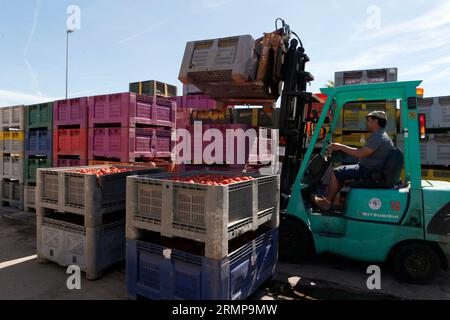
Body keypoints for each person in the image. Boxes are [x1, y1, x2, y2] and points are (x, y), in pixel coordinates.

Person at [313, 111, 394, 211]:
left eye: (368, 120)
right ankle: (334, 202)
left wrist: (341, 147)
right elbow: (363, 153)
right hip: (371, 168)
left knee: (336, 172)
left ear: (375, 121)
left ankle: (326, 203)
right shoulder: (381, 135)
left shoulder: (379, 137)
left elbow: (360, 153)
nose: (366, 123)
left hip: (368, 171)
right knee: (342, 172)